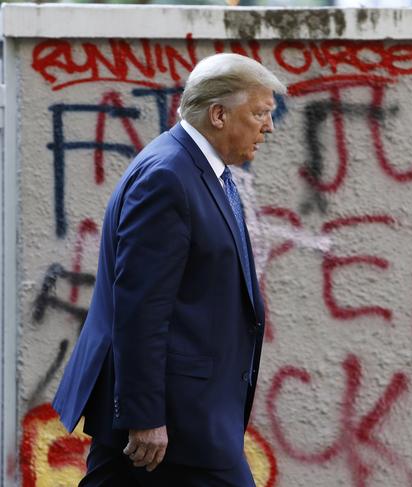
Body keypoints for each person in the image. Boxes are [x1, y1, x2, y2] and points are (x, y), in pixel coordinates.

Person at [52, 53, 286, 486]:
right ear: (218, 114)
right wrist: (144, 416)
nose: (268, 127)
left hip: (186, 411)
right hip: (171, 418)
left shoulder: (199, 169)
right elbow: (141, 306)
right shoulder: (168, 177)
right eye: (260, 114)